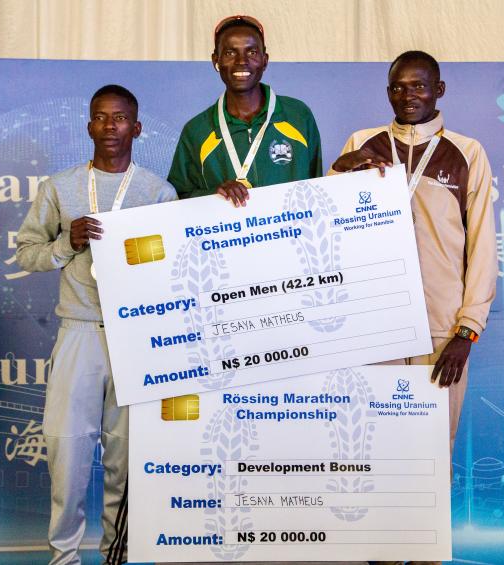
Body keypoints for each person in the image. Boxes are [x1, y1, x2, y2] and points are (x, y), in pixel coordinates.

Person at [331, 51, 497, 565]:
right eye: (399, 87)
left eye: (419, 87)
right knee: (375, 447)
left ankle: (424, 554)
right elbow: (325, 221)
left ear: (440, 90)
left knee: (429, 452)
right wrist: (340, 172)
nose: (409, 96)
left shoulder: (466, 152)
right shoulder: (361, 144)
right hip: (373, 329)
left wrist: (467, 332)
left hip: (440, 333)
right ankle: (380, 553)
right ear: (387, 92)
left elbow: (482, 249)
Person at [16, 84, 177, 565]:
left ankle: (117, 555)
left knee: (123, 461)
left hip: (138, 338)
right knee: (65, 453)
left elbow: (175, 268)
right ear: (89, 126)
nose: (111, 126)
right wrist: (67, 243)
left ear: (137, 127)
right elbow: (27, 254)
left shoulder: (157, 192)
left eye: (121, 118)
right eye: (101, 118)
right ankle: (63, 557)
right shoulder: (59, 187)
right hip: (79, 332)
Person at [167, 14, 322, 205]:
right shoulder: (197, 130)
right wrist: (213, 194)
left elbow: (319, 187)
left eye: (252, 53)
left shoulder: (298, 115)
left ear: (265, 60)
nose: (242, 61)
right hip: (230, 234)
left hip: (292, 233)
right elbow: (178, 200)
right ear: (216, 60)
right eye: (230, 53)